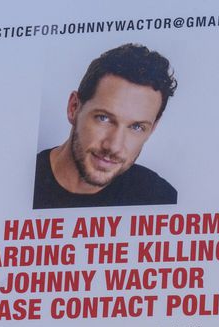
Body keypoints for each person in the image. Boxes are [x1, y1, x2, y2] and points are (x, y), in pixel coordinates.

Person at [34, 43, 177, 209]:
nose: (114, 146)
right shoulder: (20, 179)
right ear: (74, 108)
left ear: (151, 130)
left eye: (136, 127)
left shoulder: (161, 199)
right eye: (104, 118)